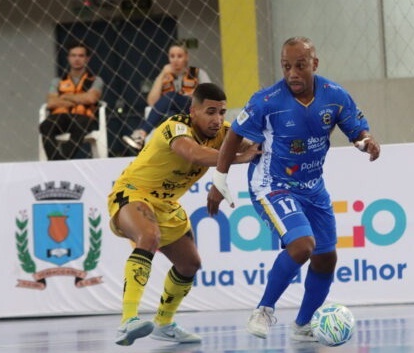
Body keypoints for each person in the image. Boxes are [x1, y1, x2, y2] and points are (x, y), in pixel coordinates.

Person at [206, 37, 380, 341]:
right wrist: (219, 181)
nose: (292, 73)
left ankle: (302, 325)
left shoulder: (335, 96)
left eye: (300, 65)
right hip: (272, 184)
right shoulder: (267, 101)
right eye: (286, 66)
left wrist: (366, 142)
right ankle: (263, 309)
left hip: (313, 187)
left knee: (326, 258)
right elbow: (234, 134)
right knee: (302, 246)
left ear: (314, 64)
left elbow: (356, 130)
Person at [108, 83, 259, 346]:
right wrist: (237, 158)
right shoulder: (175, 127)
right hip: (133, 192)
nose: (218, 119)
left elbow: (255, 147)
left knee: (190, 264)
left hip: (167, 204)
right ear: (194, 111)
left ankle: (164, 324)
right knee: (148, 236)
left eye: (222, 112)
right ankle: (128, 320)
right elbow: (194, 153)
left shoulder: (224, 133)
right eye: (210, 112)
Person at [123, 41, 211, 151]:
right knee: (171, 112)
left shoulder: (197, 73)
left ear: (186, 57)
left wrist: (193, 95)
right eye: (172, 56)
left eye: (179, 56)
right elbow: (151, 102)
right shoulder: (165, 76)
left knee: (170, 96)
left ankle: (141, 133)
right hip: (173, 117)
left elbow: (210, 97)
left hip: (192, 111)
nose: (175, 60)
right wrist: (161, 75)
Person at [39, 41, 104, 160]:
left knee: (81, 124)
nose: (77, 59)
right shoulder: (58, 81)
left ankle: (62, 160)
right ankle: (57, 161)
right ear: (68, 58)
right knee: (45, 125)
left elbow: (91, 98)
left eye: (81, 56)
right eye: (73, 55)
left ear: (87, 59)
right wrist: (80, 98)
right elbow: (52, 102)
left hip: (83, 117)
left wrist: (64, 96)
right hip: (61, 116)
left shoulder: (95, 80)